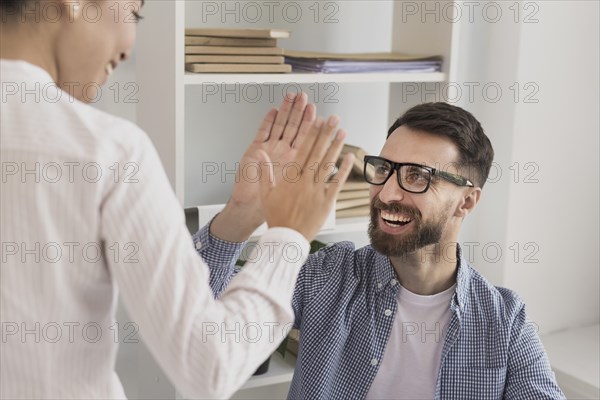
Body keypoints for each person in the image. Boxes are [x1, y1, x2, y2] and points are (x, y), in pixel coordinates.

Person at [0, 0, 354, 399]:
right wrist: (289, 235)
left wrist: (240, 215)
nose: (128, 47)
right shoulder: (108, 152)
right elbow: (209, 366)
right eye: (134, 13)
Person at [200, 102, 566, 399]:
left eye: (418, 177)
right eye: (384, 169)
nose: (388, 194)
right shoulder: (328, 276)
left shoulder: (504, 323)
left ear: (466, 202)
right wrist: (241, 212)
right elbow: (200, 324)